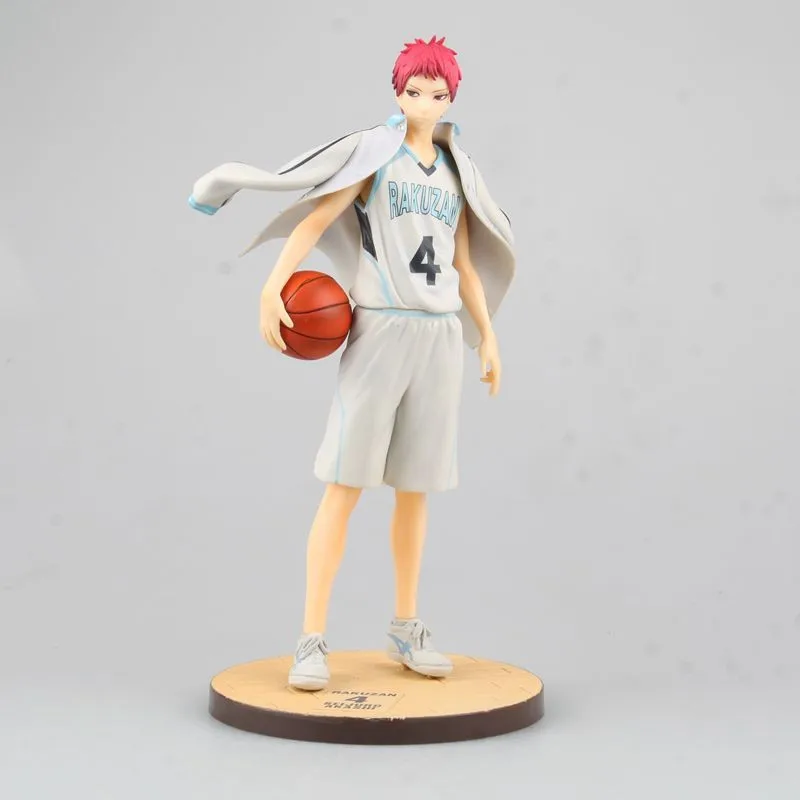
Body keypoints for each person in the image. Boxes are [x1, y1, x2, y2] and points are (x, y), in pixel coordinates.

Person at [188, 36, 516, 691]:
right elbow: (316, 220)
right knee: (344, 486)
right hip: (382, 330)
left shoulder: (456, 172)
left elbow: (463, 263)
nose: (425, 102)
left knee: (416, 490)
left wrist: (486, 334)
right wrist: (271, 286)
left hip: (437, 336)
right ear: (398, 91)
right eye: (415, 91)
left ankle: (406, 624)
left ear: (452, 98)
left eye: (438, 94)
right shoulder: (376, 157)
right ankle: (311, 638)